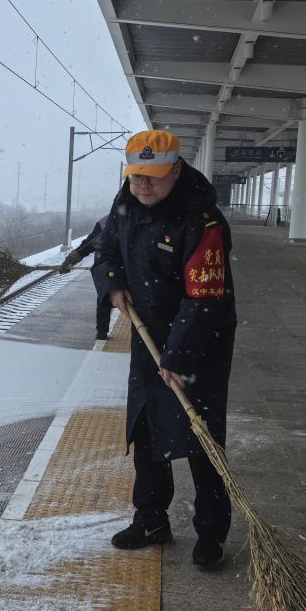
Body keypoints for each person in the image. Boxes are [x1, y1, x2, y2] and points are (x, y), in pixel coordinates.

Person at [92, 129, 237, 570]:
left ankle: (211, 533)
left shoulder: (203, 222)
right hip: (147, 335)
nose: (143, 186)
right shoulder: (126, 206)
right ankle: (151, 519)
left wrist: (178, 357)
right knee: (148, 431)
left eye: (153, 177)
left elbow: (205, 299)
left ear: (176, 170)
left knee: (201, 438)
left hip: (199, 344)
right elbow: (105, 248)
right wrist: (112, 284)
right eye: (136, 176)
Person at [58, 216, 112, 340]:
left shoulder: (110, 220)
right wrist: (72, 259)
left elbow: (91, 242)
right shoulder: (110, 221)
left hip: (115, 267)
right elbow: (91, 242)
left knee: (105, 298)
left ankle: (102, 333)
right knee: (105, 297)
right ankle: (102, 333)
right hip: (109, 266)